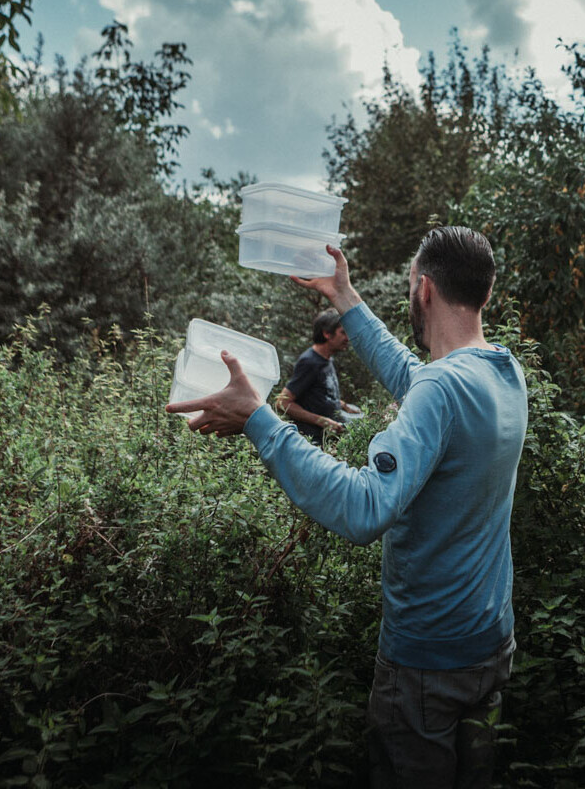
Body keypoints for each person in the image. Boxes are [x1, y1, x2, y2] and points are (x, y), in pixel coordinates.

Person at [166, 226, 528, 788]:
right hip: (490, 644)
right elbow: (421, 380)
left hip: (428, 663)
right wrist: (346, 300)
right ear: (484, 292)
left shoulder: (444, 391)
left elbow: (363, 508)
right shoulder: (501, 372)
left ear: (423, 290)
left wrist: (260, 421)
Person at [275, 308, 361, 445]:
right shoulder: (309, 362)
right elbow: (282, 402)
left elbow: (322, 394)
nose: (347, 338)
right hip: (313, 442)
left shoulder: (326, 359)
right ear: (327, 333)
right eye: (343, 333)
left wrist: (343, 405)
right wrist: (322, 421)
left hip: (330, 440)